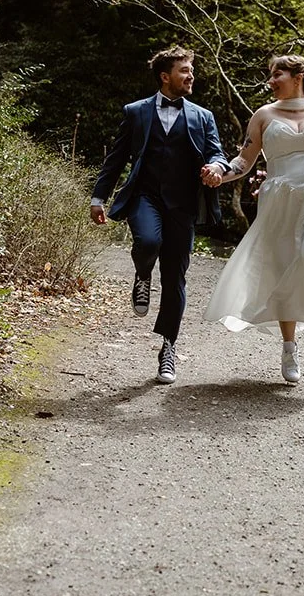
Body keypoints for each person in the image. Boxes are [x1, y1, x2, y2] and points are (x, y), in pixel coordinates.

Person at [200, 54, 304, 384]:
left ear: (299, 75)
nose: (271, 81)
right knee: (281, 268)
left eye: (278, 74)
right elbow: (244, 161)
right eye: (270, 76)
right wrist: (220, 172)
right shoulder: (263, 115)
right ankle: (289, 347)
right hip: (279, 199)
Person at [91, 46, 227, 384]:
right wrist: (98, 197)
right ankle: (141, 275)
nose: (190, 75)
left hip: (183, 204)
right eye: (184, 70)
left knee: (176, 278)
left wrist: (217, 167)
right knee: (148, 242)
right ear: (165, 76)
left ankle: (168, 348)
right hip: (144, 196)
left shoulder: (202, 116)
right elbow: (117, 158)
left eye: (191, 70)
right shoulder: (136, 112)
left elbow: (216, 152)